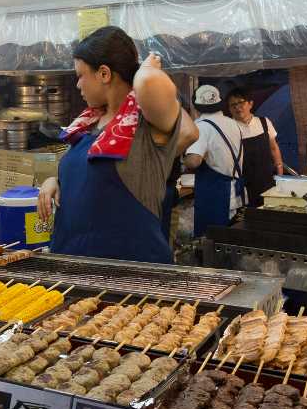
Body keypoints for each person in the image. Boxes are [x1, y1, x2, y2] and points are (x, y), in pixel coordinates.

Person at [37, 27, 197, 263]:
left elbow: (149, 82)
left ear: (104, 73)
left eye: (81, 75)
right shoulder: (89, 124)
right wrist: (56, 181)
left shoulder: (145, 124)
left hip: (129, 276)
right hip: (74, 267)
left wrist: (146, 66)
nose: (78, 85)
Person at [184, 85, 244, 237]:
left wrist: (182, 156)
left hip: (215, 196)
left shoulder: (201, 127)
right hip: (236, 191)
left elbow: (194, 161)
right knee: (231, 240)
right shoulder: (232, 123)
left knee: (211, 242)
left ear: (196, 106)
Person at [227, 87, 284, 206]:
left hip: (267, 179)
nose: (237, 107)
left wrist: (280, 171)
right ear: (229, 109)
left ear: (250, 104)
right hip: (243, 183)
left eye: (241, 102)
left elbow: (273, 148)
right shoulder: (228, 128)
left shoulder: (264, 122)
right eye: (233, 105)